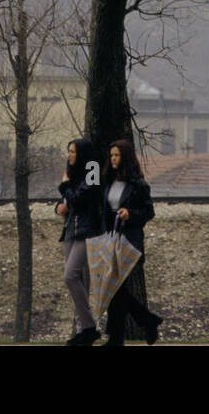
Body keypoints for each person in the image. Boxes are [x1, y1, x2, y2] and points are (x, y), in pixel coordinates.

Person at [101, 138, 163, 346]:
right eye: (111, 155)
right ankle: (147, 321)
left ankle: (117, 338)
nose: (113, 159)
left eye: (117, 155)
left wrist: (130, 214)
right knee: (115, 289)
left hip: (128, 240)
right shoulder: (108, 181)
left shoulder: (138, 185)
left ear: (125, 157)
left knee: (116, 288)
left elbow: (149, 211)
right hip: (110, 239)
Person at [56, 138, 104, 346]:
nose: (70, 155)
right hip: (71, 230)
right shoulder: (74, 172)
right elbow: (68, 201)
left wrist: (65, 185)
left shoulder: (92, 170)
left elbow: (79, 198)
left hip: (87, 230)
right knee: (77, 282)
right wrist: (59, 206)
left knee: (71, 276)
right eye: (68, 151)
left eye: (73, 151)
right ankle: (82, 330)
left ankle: (89, 327)